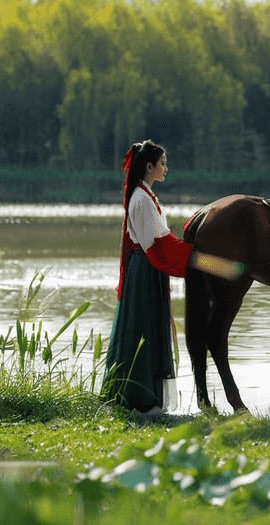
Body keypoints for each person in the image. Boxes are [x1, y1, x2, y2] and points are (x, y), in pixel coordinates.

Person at [101, 139, 194, 415]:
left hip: (147, 269)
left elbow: (159, 239)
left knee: (147, 328)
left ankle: (145, 398)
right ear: (149, 166)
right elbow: (157, 243)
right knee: (142, 328)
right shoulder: (141, 199)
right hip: (144, 270)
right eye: (162, 164)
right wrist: (192, 255)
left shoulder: (146, 195)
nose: (166, 168)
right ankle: (138, 399)